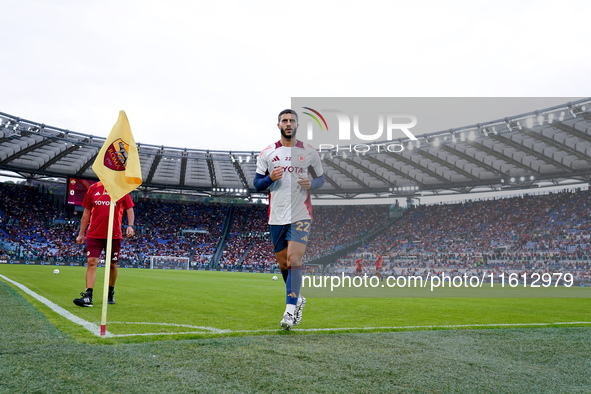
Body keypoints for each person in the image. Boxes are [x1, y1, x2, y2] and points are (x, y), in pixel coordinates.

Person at [254, 109, 325, 330]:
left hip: (301, 214)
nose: (288, 123)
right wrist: (269, 178)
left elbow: (321, 179)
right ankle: (298, 299)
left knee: (295, 260)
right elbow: (257, 184)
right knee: (284, 263)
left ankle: (289, 312)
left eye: (291, 120)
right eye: (284, 121)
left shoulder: (309, 152)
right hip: (276, 216)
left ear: (296, 125)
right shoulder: (267, 153)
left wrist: (311, 184)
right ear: (278, 125)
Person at [73, 181, 135, 307]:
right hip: (94, 234)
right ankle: (88, 296)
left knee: (112, 264)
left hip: (114, 235)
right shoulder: (93, 188)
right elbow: (86, 212)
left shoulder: (121, 187)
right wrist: (81, 233)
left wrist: (130, 226)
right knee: (92, 262)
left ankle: (110, 292)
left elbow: (130, 209)